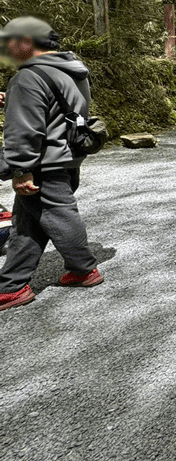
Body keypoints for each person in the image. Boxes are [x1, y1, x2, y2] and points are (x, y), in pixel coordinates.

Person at [0, 16, 103, 313]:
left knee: (59, 216)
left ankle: (84, 270)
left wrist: (20, 169)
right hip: (67, 156)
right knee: (28, 223)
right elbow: (59, 107)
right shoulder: (70, 70)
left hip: (43, 163)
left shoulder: (28, 78)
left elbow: (24, 129)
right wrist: (14, 99)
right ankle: (12, 285)